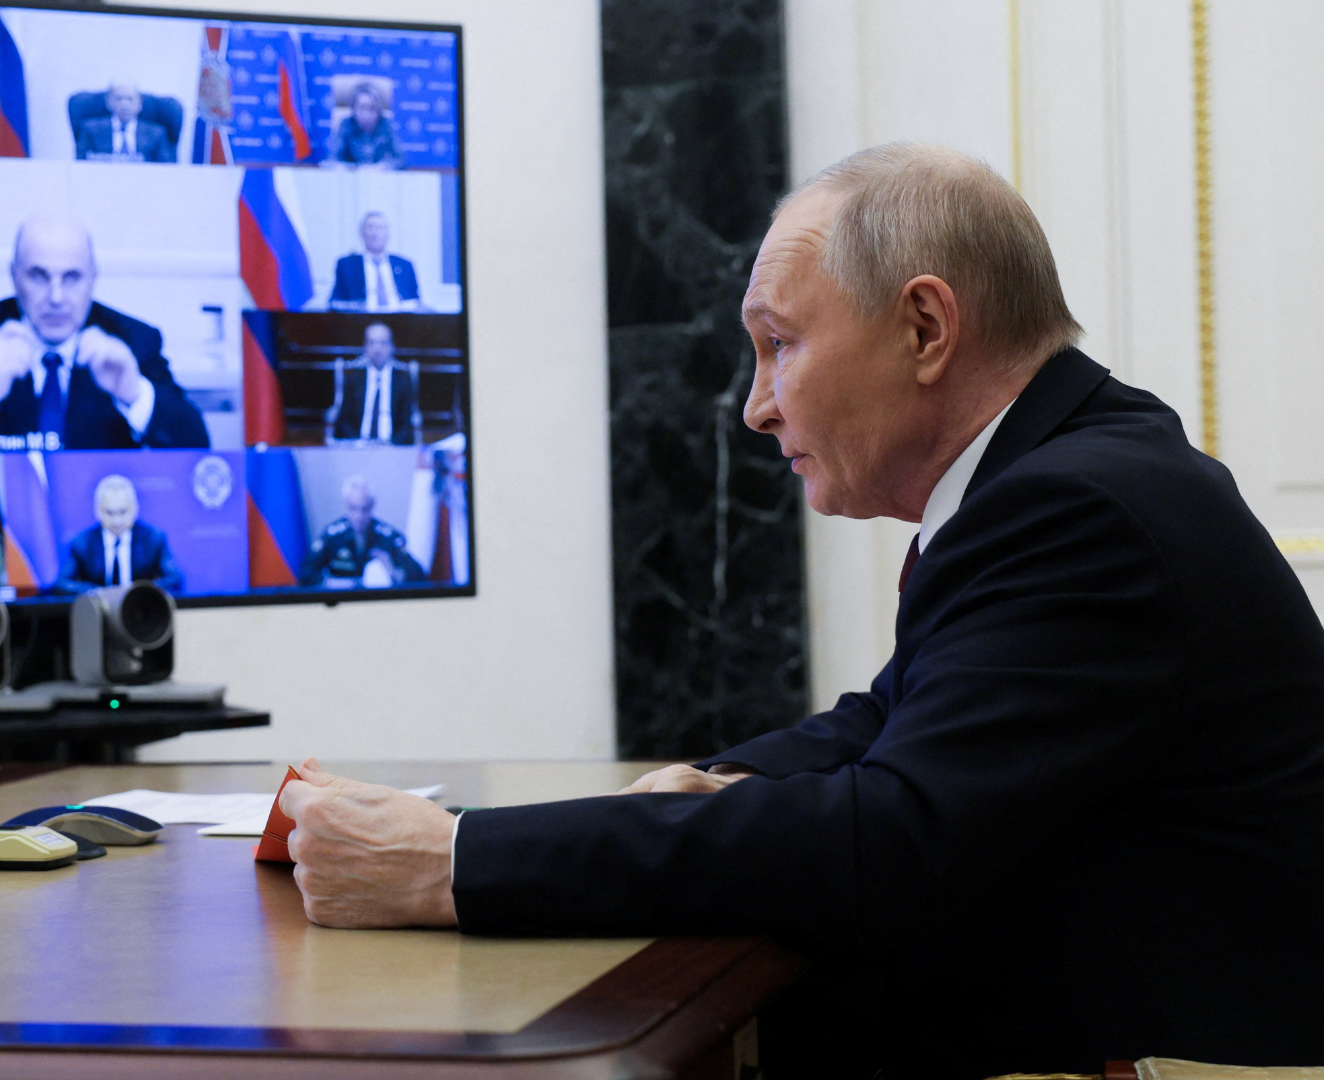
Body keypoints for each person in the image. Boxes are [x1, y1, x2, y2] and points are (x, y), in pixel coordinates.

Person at [271, 144, 1324, 1079]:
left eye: (781, 345)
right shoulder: (1076, 461)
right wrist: (722, 778)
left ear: (924, 326)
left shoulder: (1074, 506)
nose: (756, 404)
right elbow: (892, 719)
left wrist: (452, 863)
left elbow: (891, 840)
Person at [0, 215, 210, 453]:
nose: (56, 297)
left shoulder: (134, 341)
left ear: (93, 279)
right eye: (38, 276)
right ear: (14, 276)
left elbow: (197, 447)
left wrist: (135, 395)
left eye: (72, 278)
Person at [54, 475, 184, 594]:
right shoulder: (82, 542)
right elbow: (62, 584)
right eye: (110, 513)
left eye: (123, 512)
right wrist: (98, 593)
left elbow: (174, 579)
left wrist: (139, 591)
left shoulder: (153, 538)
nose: (117, 521)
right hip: (98, 610)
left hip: (141, 608)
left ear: (134, 509)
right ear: (98, 511)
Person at [298, 475, 425, 587]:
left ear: (372, 506)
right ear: (345, 506)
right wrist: (330, 583)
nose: (359, 516)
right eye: (353, 508)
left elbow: (418, 575)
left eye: (365, 509)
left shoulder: (388, 536)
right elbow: (305, 572)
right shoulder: (332, 535)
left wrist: (393, 572)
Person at [329, 322, 415, 444]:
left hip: (392, 448)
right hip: (358, 447)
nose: (377, 349)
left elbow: (406, 425)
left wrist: (391, 445)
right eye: (372, 342)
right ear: (365, 346)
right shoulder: (353, 379)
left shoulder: (403, 381)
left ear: (392, 347)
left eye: (383, 343)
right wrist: (358, 443)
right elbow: (344, 421)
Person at [329, 212, 419, 312]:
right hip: (360, 321)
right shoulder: (347, 265)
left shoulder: (405, 265)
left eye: (380, 228)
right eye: (370, 227)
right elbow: (335, 303)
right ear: (362, 233)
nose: (375, 234)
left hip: (399, 321)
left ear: (388, 234)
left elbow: (416, 302)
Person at [74, 82, 174, 162]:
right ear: (108, 102)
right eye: (118, 99)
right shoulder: (90, 129)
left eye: (130, 99)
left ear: (140, 104)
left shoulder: (156, 133)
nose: (124, 104)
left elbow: (166, 170)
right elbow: (80, 165)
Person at [330, 83, 402, 168]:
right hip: (352, 178)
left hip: (378, 178)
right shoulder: (346, 124)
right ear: (353, 108)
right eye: (362, 108)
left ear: (379, 109)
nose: (366, 114)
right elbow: (332, 160)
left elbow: (400, 160)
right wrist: (349, 168)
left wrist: (383, 167)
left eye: (372, 108)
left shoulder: (385, 124)